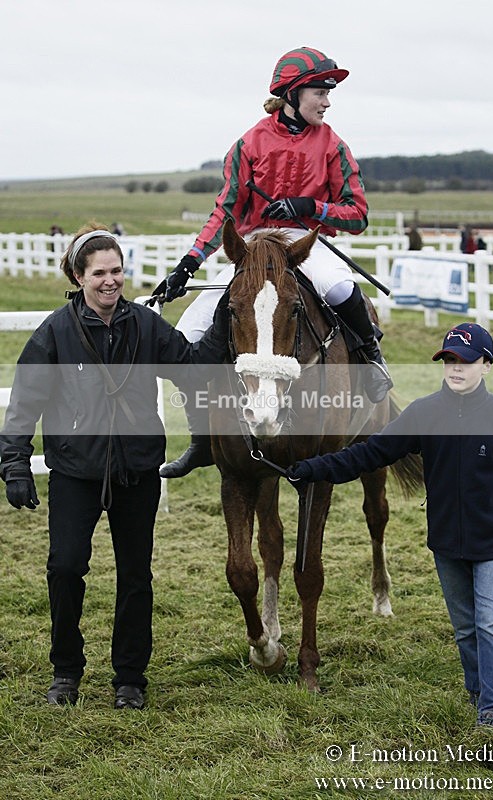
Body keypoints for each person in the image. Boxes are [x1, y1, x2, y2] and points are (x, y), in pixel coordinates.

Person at [0, 224, 229, 709]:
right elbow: (25, 401)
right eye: (100, 272)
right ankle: (66, 672)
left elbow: (191, 365)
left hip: (136, 472)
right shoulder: (56, 332)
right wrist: (15, 463)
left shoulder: (146, 326)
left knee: (135, 576)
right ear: (79, 277)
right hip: (74, 473)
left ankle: (130, 678)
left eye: (118, 271)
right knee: (64, 569)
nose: (111, 281)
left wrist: (228, 314)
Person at [150, 46, 393, 480]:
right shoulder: (249, 143)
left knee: (339, 289)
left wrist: (310, 206)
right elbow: (224, 211)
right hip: (253, 246)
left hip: (304, 241)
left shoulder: (333, 144)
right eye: (321, 90)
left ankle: (372, 361)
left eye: (328, 92)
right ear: (294, 93)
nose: (327, 100)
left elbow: (358, 214)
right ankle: (203, 439)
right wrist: (188, 264)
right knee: (188, 332)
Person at [287, 322, 493, 729]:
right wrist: (314, 469)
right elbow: (369, 454)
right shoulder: (424, 413)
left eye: (466, 362)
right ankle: (478, 691)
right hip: (447, 543)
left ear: (486, 366)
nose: (456, 369)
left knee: (490, 623)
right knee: (466, 627)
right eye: (449, 360)